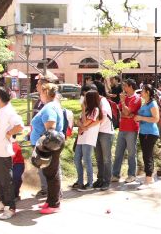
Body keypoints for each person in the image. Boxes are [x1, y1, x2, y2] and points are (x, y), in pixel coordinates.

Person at [30, 83, 65, 214]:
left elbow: (51, 128)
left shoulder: (50, 108)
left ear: (45, 93)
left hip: (49, 145)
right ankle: (50, 201)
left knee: (52, 174)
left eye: (40, 93)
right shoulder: (52, 106)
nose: (40, 95)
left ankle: (54, 204)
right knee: (49, 173)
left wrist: (43, 144)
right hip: (47, 144)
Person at [0, 88, 24, 219]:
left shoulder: (9, 111)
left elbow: (19, 125)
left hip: (4, 150)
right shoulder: (0, 109)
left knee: (5, 180)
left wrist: (9, 133)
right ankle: (4, 201)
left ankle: (11, 206)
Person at [111, 79, 141, 184]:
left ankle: (131, 175)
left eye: (125, 86)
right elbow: (122, 112)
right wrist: (126, 113)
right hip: (122, 128)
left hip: (132, 129)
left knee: (131, 153)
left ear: (131, 86)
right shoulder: (125, 97)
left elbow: (127, 112)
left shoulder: (136, 98)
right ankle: (115, 174)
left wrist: (123, 103)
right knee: (118, 152)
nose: (123, 88)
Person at [73, 90, 102, 190]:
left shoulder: (95, 110)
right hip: (81, 137)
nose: (83, 99)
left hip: (88, 138)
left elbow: (85, 122)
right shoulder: (86, 110)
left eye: (85, 97)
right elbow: (78, 121)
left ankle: (90, 183)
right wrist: (82, 125)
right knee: (77, 159)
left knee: (86, 160)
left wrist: (83, 124)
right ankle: (80, 182)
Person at [134, 84, 161, 185]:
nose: (141, 92)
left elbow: (156, 118)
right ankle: (149, 177)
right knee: (146, 155)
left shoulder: (153, 104)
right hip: (143, 132)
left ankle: (149, 179)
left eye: (142, 91)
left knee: (147, 155)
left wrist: (140, 118)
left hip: (150, 133)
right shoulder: (145, 103)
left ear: (148, 92)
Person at [91, 81, 114, 191]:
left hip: (106, 132)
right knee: (99, 158)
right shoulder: (94, 101)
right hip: (97, 132)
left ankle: (106, 181)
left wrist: (90, 125)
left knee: (106, 158)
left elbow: (103, 116)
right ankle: (100, 179)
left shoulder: (103, 101)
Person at [11, 137, 25, 201]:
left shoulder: (14, 145)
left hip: (18, 164)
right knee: (16, 179)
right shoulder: (12, 144)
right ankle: (15, 195)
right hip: (15, 164)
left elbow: (12, 157)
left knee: (16, 179)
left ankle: (15, 195)